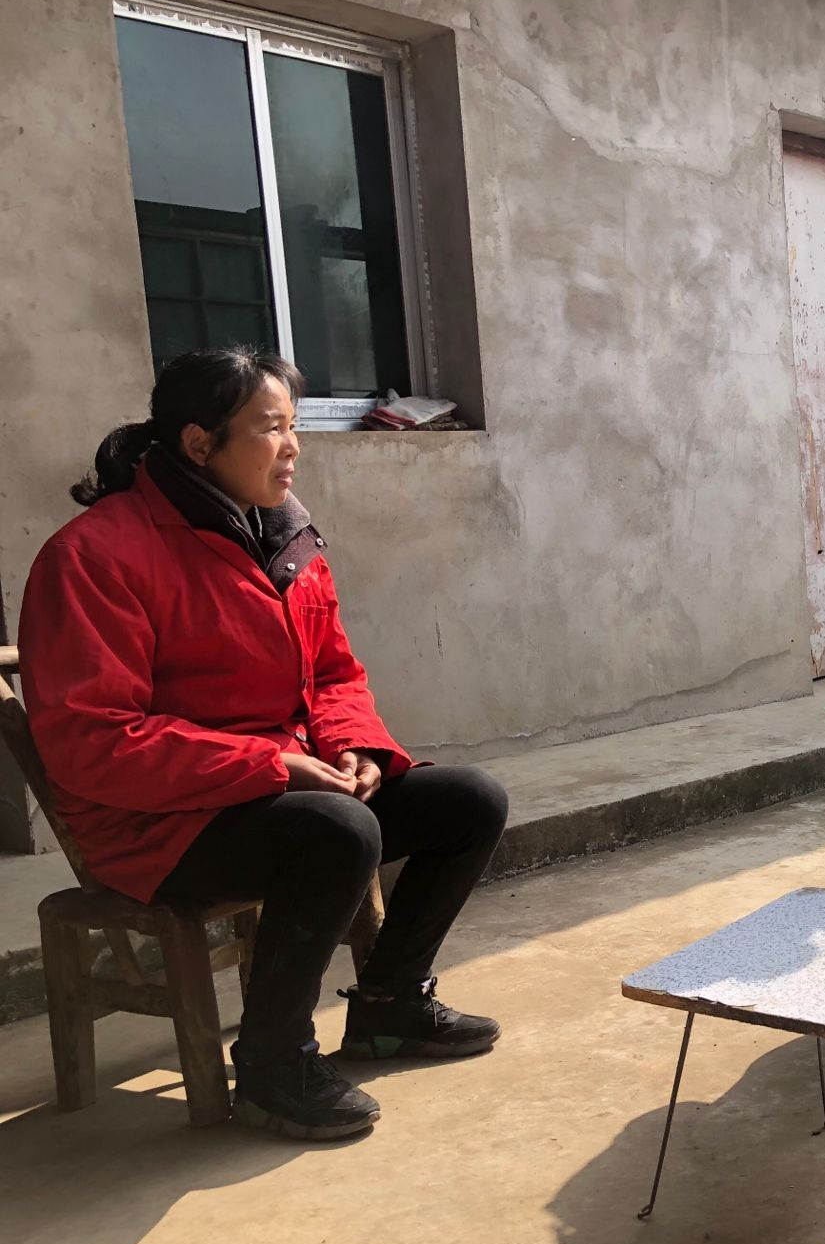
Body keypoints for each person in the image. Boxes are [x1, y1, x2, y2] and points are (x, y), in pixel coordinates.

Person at [20, 347, 508, 1141]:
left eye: (294, 426)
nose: (293, 447)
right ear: (199, 443)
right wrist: (271, 763)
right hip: (156, 822)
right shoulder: (95, 557)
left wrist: (353, 748)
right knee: (337, 832)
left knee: (469, 801)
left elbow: (335, 673)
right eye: (271, 428)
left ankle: (389, 1007)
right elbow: (93, 740)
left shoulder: (285, 537)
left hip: (275, 787)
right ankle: (274, 1067)